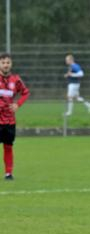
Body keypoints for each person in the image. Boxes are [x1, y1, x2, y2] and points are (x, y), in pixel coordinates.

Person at [0, 52, 30, 180]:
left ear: (11, 64)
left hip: (9, 120)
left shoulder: (16, 80)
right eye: (3, 63)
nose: (5, 65)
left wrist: (18, 105)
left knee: (8, 146)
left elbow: (25, 92)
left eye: (8, 63)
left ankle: (8, 173)